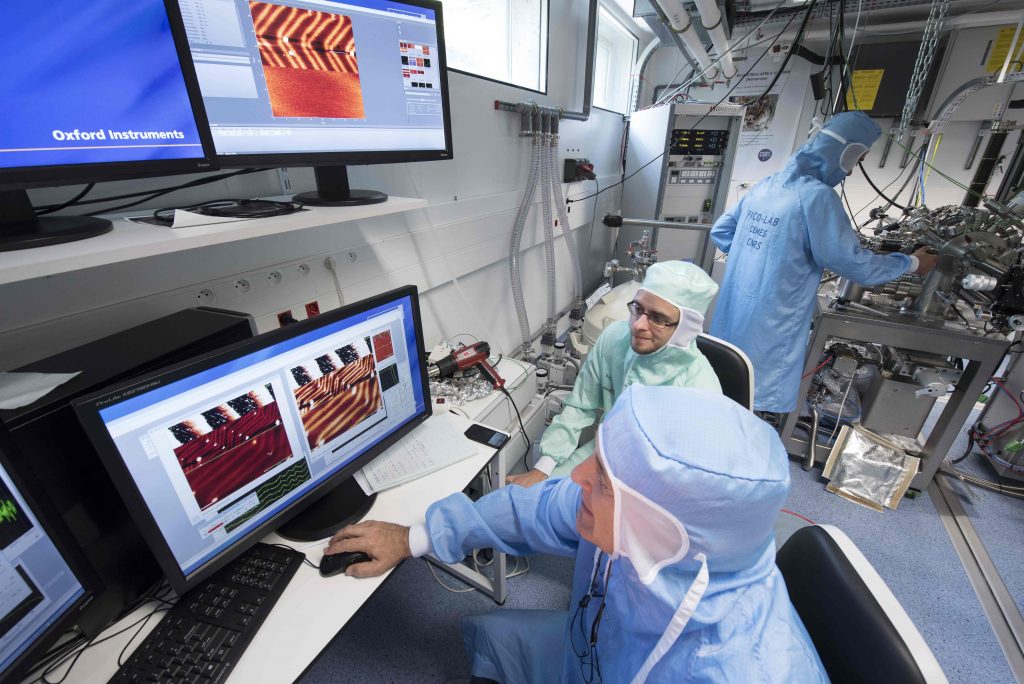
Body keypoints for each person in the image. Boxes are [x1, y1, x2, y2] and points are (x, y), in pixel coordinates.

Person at [326, 385, 828, 683]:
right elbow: (535, 509)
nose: (580, 477)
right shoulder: (655, 530)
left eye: (605, 478)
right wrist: (416, 538)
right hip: (597, 650)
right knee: (488, 633)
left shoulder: (740, 670)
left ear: (661, 530)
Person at [709, 110, 937, 416]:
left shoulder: (769, 184)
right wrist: (911, 263)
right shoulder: (818, 198)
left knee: (726, 384)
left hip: (734, 314)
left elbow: (721, 232)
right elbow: (856, 266)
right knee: (753, 397)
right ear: (844, 153)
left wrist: (759, 256)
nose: (853, 171)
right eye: (856, 160)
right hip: (772, 323)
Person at [506, 260, 722, 488]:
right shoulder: (613, 340)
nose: (638, 325)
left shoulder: (701, 390)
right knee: (528, 498)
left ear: (685, 328)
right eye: (638, 309)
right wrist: (543, 469)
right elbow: (581, 405)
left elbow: (692, 477)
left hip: (656, 482)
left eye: (657, 318)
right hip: (604, 453)